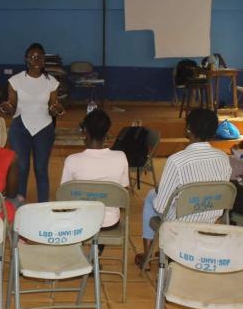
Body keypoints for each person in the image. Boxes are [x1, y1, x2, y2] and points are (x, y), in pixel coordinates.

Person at [135, 108, 232, 269]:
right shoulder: (223, 158)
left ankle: (147, 256)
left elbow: (161, 206)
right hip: (211, 217)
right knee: (158, 195)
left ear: (188, 129)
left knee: (152, 196)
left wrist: (162, 191)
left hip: (180, 222)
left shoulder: (177, 160)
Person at [0, 43, 64, 203]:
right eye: (33, 57)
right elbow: (12, 106)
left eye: (40, 57)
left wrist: (56, 110)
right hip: (20, 129)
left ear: (44, 60)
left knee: (41, 169)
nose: (37, 59)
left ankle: (43, 207)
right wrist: (6, 107)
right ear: (26, 59)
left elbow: (52, 108)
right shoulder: (16, 80)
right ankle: (19, 207)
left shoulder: (52, 82)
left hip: (44, 129)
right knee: (21, 168)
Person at [60, 109, 129, 228]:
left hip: (80, 222)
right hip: (109, 222)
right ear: (107, 133)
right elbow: (123, 193)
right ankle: (98, 245)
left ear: (85, 131)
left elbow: (64, 196)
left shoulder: (72, 160)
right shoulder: (120, 157)